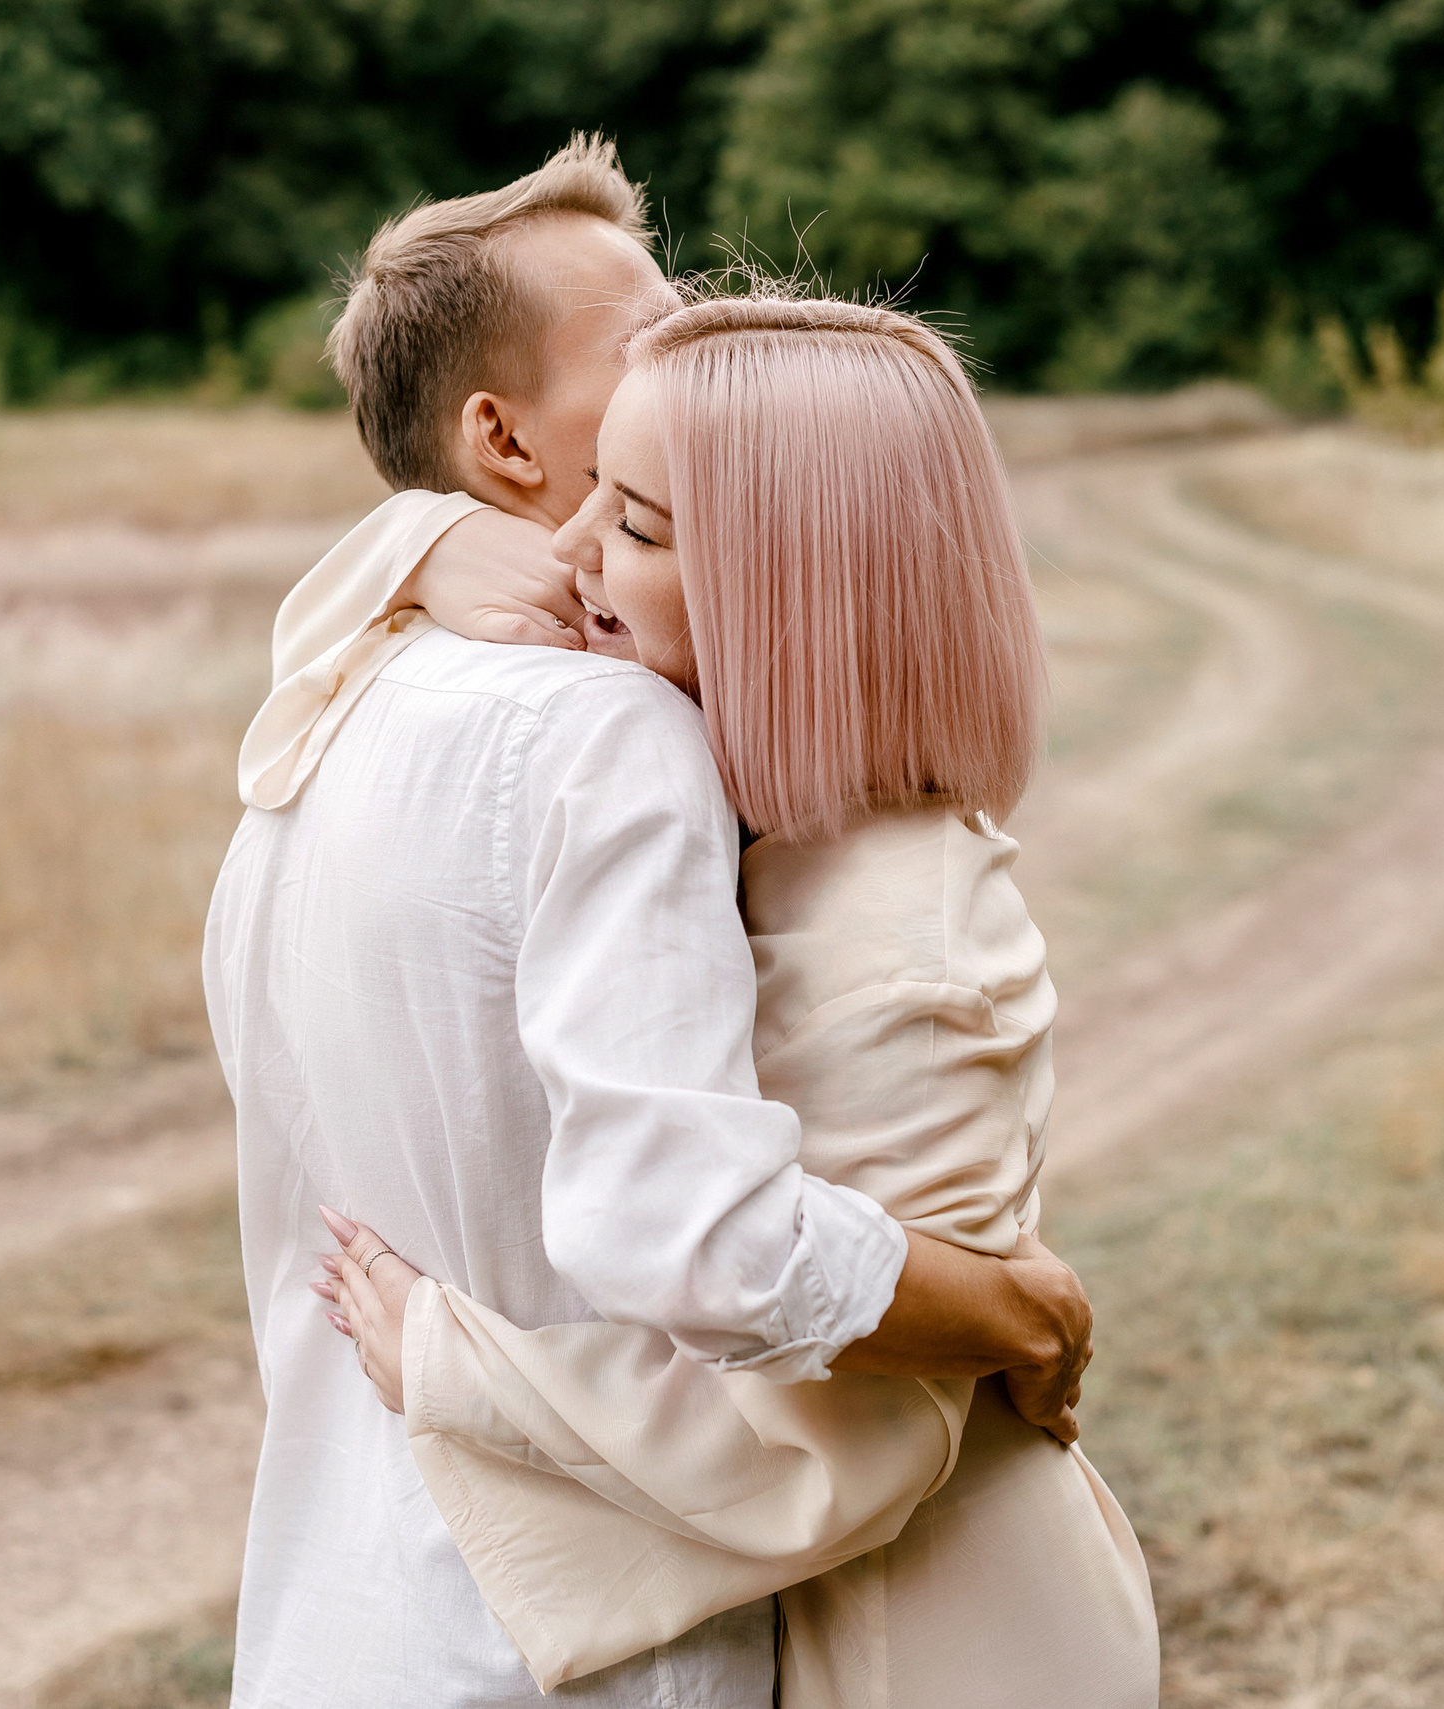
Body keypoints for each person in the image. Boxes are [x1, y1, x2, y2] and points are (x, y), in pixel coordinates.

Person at [204, 136, 1096, 1709]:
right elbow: (694, 1238)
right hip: (581, 1648)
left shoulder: (329, 704)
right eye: (641, 341)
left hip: (343, 1623)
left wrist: (404, 544)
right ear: (499, 437)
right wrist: (1009, 1304)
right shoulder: (605, 735)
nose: (691, 345)